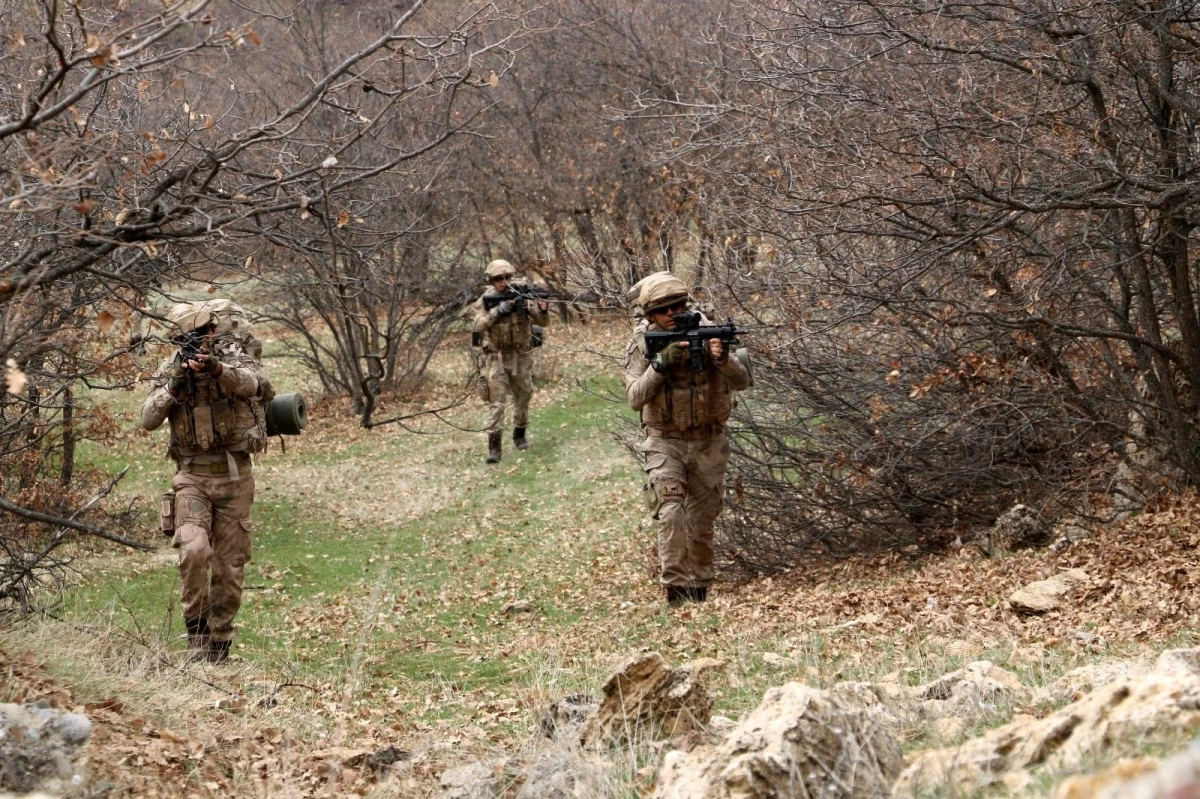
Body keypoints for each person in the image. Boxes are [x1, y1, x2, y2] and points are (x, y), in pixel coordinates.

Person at [140, 300, 274, 662]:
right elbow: (148, 418)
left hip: (234, 479)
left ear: (213, 331)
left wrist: (217, 369)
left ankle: (220, 645)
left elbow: (256, 385)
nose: (197, 342)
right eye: (188, 338)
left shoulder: (235, 356)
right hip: (192, 477)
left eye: (202, 334)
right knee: (194, 550)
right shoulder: (171, 368)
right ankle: (196, 638)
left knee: (229, 569)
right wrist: (175, 384)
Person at [623, 273, 751, 606]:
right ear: (650, 313)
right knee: (670, 512)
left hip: (709, 441)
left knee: (702, 520)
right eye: (665, 310)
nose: (673, 314)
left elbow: (742, 381)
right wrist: (661, 365)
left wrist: (721, 359)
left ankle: (700, 591)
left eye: (679, 306)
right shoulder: (643, 343)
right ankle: (676, 592)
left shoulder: (710, 332)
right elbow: (635, 398)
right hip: (665, 441)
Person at [472, 259, 549, 464]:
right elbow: (478, 326)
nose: (503, 282)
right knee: (496, 403)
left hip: (520, 357)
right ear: (491, 280)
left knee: (524, 395)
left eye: (507, 277)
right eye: (498, 279)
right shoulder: (485, 300)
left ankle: (519, 434)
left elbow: (543, 322)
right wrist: (499, 311)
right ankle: (494, 448)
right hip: (496, 358)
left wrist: (542, 309)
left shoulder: (522, 294)